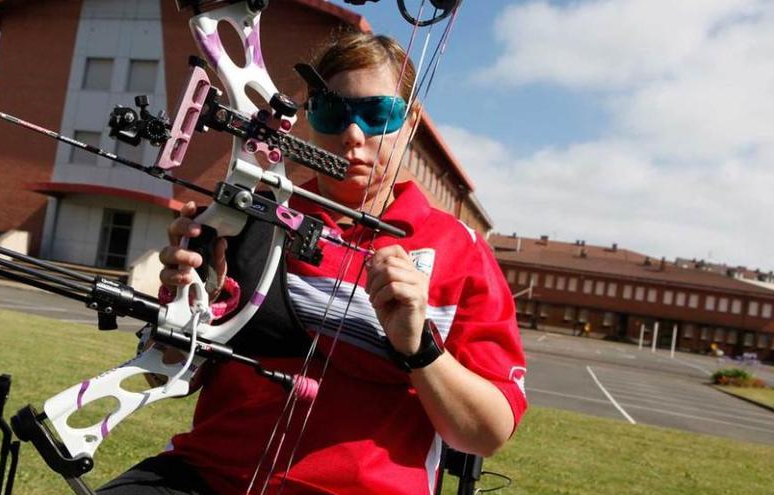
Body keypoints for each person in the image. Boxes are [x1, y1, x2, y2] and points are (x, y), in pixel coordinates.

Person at [98, 31, 527, 495]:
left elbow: (486, 432)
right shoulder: (247, 213)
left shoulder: (461, 250)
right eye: (331, 113)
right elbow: (166, 372)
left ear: (412, 121)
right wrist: (183, 298)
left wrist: (419, 348)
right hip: (210, 475)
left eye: (377, 113)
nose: (353, 136)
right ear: (305, 120)